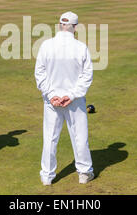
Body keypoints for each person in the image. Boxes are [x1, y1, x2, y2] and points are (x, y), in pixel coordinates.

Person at [35, 11, 94, 186]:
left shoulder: (46, 45)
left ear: (60, 25)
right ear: (75, 28)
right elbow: (87, 75)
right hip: (74, 101)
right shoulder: (81, 47)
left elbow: (40, 73)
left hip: (52, 101)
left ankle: (47, 175)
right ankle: (84, 173)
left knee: (50, 137)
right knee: (79, 136)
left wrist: (52, 95)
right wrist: (72, 95)